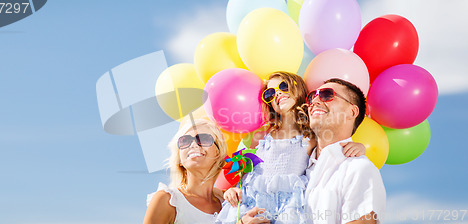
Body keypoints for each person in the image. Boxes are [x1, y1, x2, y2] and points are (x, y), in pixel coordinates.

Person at [216, 72, 367, 223]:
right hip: (252, 201)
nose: (278, 93)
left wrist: (359, 146)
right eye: (270, 93)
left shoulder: (312, 136)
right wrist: (233, 190)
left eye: (283, 86)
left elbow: (334, 147)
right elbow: (247, 172)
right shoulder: (262, 135)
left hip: (287, 206)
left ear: (298, 89)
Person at [144, 119, 269, 224]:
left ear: (219, 153)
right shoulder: (168, 200)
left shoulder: (230, 201)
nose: (193, 144)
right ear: (180, 160)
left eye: (203, 139)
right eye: (184, 141)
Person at [304, 78, 386, 224]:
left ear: (352, 111)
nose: (315, 101)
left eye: (327, 94)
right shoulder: (296, 164)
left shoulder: (359, 169)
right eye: (312, 96)